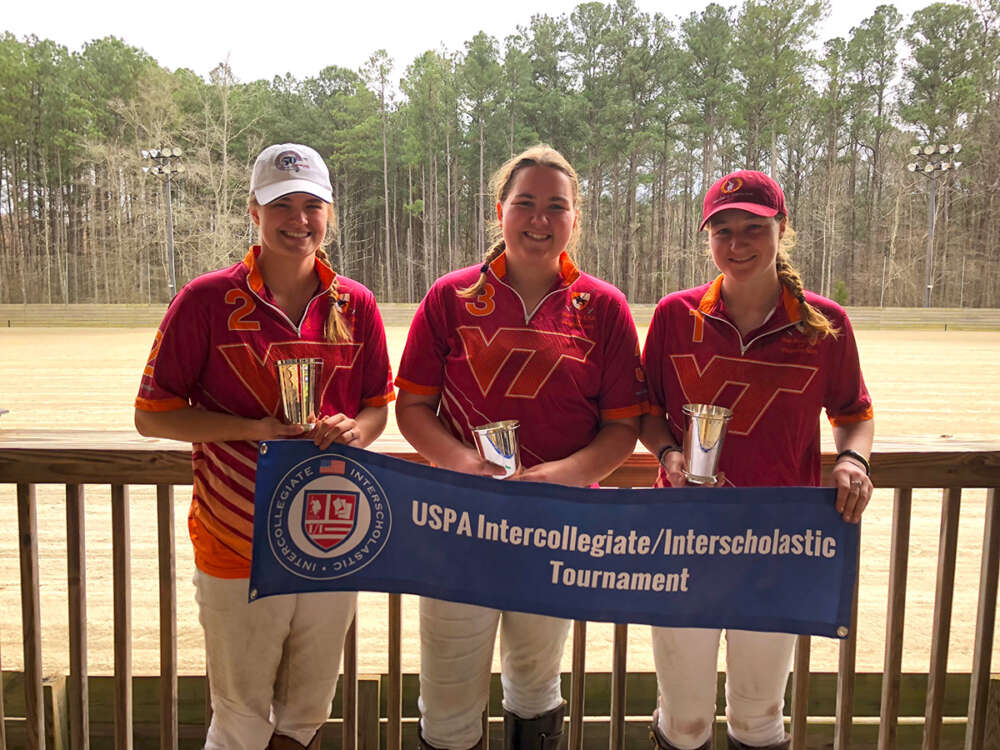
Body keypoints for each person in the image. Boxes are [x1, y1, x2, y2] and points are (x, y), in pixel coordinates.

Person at [134, 143, 395, 750]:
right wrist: (254, 429)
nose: (298, 220)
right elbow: (153, 416)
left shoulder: (355, 305)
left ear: (330, 213)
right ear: (254, 211)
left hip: (332, 535)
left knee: (307, 712)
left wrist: (357, 429)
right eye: (282, 205)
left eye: (311, 206)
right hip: (235, 538)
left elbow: (378, 406)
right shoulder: (204, 300)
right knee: (241, 714)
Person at [395, 145, 648, 750]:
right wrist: (462, 464)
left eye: (556, 206)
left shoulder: (604, 308)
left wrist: (563, 476)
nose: (540, 219)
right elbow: (411, 408)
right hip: (457, 524)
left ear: (575, 219)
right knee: (449, 699)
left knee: (536, 688)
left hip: (552, 526)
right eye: (525, 203)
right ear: (499, 211)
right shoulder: (450, 298)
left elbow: (622, 428)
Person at [639, 170, 874, 750]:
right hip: (683, 539)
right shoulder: (675, 314)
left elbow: (854, 413)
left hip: (776, 541)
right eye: (723, 230)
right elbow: (645, 412)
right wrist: (669, 452)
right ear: (708, 238)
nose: (737, 244)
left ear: (782, 230)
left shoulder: (825, 323)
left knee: (759, 716)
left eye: (753, 228)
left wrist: (854, 462)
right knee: (684, 717)